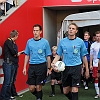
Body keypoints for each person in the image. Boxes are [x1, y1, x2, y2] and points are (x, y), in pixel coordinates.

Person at [51, 23, 89, 100]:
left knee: (75, 89)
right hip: (66, 68)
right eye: (70, 28)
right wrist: (53, 63)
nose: (71, 30)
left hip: (76, 67)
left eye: (73, 28)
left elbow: (84, 56)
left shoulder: (80, 42)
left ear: (76, 31)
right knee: (65, 91)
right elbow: (58, 55)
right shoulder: (62, 42)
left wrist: (87, 69)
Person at [23, 24, 51, 100]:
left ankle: (39, 98)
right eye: (34, 30)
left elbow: (48, 56)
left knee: (39, 86)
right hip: (32, 66)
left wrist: (49, 68)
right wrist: (24, 67)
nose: (35, 32)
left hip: (41, 66)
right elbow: (27, 54)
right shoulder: (29, 42)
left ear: (40, 32)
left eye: (37, 30)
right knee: (31, 88)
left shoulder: (45, 42)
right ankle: (39, 96)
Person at [0, 30, 24, 100]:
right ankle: (3, 97)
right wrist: (17, 54)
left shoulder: (11, 42)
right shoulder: (8, 42)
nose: (17, 37)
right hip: (8, 63)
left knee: (10, 82)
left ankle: (8, 96)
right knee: (7, 82)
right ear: (15, 36)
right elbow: (13, 52)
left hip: (11, 63)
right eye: (17, 36)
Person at [90, 31, 100, 99]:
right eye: (97, 36)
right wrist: (90, 64)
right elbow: (91, 55)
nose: (98, 37)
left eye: (99, 36)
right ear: (95, 37)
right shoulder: (93, 45)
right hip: (95, 64)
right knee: (96, 78)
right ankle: (97, 93)